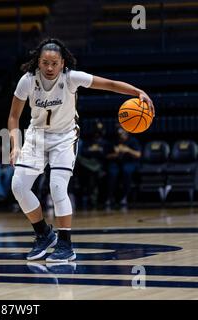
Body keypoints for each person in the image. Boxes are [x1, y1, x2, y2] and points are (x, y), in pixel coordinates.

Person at [8, 38, 154, 263]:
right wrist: (15, 145)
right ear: (38, 61)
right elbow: (13, 116)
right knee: (18, 186)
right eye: (45, 62)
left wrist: (137, 91)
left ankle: (66, 244)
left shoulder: (71, 78)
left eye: (54, 63)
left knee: (57, 188)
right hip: (36, 136)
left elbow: (110, 84)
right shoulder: (27, 81)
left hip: (65, 137)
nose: (49, 68)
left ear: (62, 63)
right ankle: (44, 234)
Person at [105, 127, 142, 209]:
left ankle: (124, 197)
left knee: (126, 171)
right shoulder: (113, 141)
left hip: (129, 161)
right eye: (119, 134)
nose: (121, 136)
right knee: (112, 173)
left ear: (126, 133)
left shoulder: (133, 141)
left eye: (123, 134)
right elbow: (106, 156)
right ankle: (110, 197)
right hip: (116, 162)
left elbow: (138, 154)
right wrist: (116, 154)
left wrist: (128, 150)